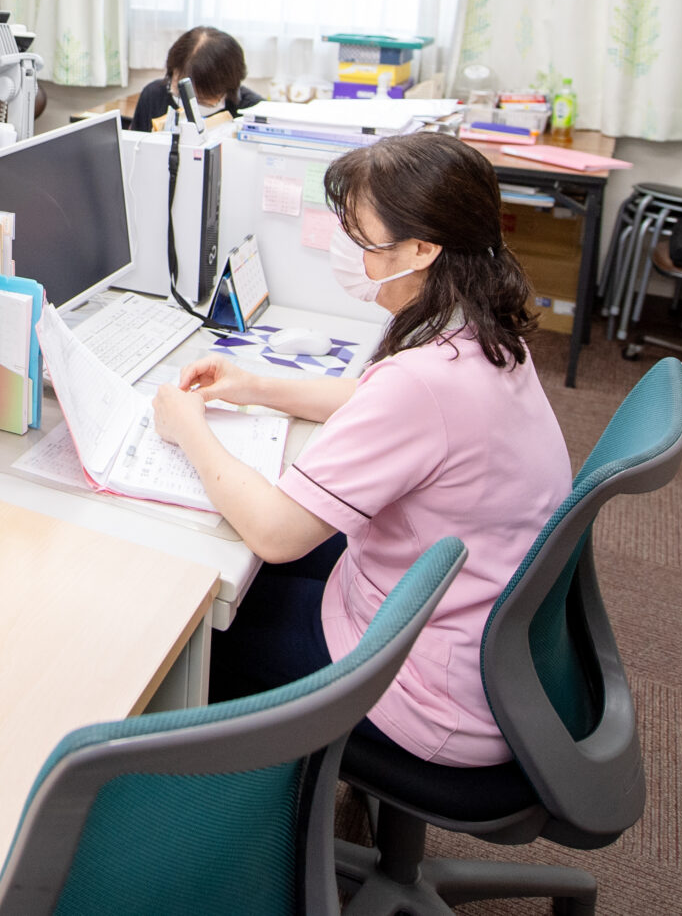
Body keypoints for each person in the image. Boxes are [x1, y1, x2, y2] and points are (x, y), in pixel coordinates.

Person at [149, 131, 571, 762]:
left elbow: (277, 533)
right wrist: (256, 386)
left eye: (363, 239)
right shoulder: (481, 330)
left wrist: (190, 428)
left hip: (425, 692)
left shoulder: (424, 380)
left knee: (191, 635)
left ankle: (239, 803)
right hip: (473, 639)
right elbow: (376, 399)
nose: (349, 251)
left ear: (423, 248)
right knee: (260, 577)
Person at [125, 26, 263, 131]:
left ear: (226, 88)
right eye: (180, 91)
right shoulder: (154, 95)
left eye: (202, 99)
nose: (189, 101)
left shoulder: (254, 111)